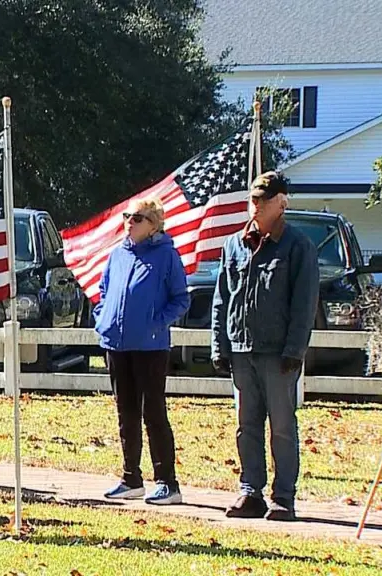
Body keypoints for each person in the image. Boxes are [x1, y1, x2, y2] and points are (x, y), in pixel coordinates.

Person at [211, 171, 319, 522]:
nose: (254, 205)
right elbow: (221, 299)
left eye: (263, 199)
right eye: (253, 198)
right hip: (242, 349)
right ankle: (250, 492)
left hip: (278, 353)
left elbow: (304, 304)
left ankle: (283, 497)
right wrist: (219, 345)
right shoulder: (235, 244)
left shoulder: (298, 246)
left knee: (283, 426)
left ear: (282, 202)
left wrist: (294, 350)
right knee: (247, 424)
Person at [95, 197, 190, 505]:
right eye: (127, 217)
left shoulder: (166, 256)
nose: (129, 222)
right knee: (126, 413)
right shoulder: (117, 255)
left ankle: (167, 482)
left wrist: (156, 323)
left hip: (150, 346)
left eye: (137, 218)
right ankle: (130, 478)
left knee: (154, 413)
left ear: (153, 225)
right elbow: (104, 291)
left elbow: (180, 299)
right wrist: (103, 319)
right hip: (117, 344)